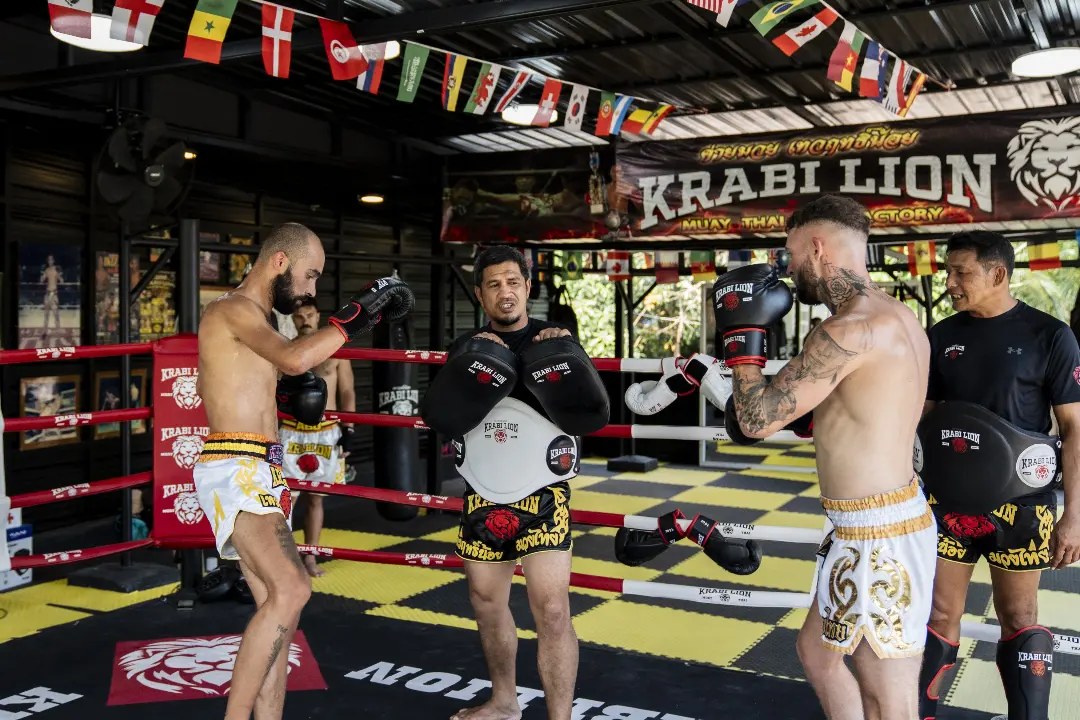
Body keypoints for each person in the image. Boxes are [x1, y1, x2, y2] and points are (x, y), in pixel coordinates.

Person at [694, 195, 934, 720]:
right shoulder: (896, 315)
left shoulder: (848, 331)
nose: (789, 269)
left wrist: (742, 339)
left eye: (792, 254)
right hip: (868, 525)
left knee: (887, 699)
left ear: (818, 248)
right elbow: (852, 410)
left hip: (879, 538)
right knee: (817, 655)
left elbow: (755, 421)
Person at [194, 221, 412, 720]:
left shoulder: (263, 320)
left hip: (262, 468)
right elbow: (294, 362)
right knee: (294, 588)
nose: (312, 289)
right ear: (279, 262)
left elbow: (244, 382)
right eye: (310, 275)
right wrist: (357, 317)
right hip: (236, 464)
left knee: (280, 610)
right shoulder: (231, 310)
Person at [420, 245, 609, 720]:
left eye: (513, 282)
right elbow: (443, 415)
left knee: (552, 610)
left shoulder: (558, 342)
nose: (505, 292)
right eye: (493, 284)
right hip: (483, 492)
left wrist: (560, 355)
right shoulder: (468, 349)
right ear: (481, 294)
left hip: (543, 495)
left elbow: (590, 416)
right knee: (486, 603)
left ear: (527, 286)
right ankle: (505, 702)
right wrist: (474, 361)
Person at [918, 231, 1080, 720]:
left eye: (960, 272)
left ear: (998, 274)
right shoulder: (940, 337)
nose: (949, 283)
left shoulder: (1050, 336)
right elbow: (918, 422)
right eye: (947, 272)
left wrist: (1074, 516)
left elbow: (1075, 431)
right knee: (939, 616)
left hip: (1023, 506)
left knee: (1020, 617)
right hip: (946, 503)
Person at [280, 296, 357, 578]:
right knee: (284, 498)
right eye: (299, 317)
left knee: (316, 499)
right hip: (291, 430)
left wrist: (349, 429)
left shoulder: (335, 349)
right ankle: (285, 563)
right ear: (292, 319)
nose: (305, 321)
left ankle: (311, 558)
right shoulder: (283, 350)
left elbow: (347, 391)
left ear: (318, 315)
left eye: (309, 315)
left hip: (326, 432)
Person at [40, 253, 63, 335]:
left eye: (51, 259)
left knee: (56, 313)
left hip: (54, 293)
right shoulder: (46, 270)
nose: (50, 261)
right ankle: (45, 329)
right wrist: (42, 274)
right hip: (47, 293)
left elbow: (61, 280)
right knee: (46, 314)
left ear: (53, 261)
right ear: (48, 261)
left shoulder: (56, 270)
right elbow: (42, 280)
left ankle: (58, 328)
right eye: (49, 259)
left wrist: (59, 275)